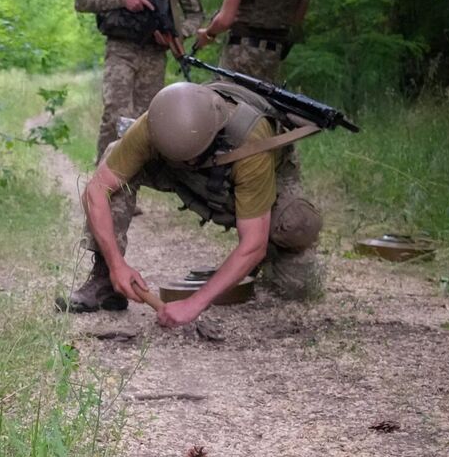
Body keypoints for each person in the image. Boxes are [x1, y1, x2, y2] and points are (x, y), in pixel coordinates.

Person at [74, 80, 324, 326]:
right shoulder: (156, 123)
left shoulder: (251, 145)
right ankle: (104, 277)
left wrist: (194, 304)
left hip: (246, 172)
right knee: (114, 163)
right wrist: (116, 265)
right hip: (183, 171)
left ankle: (268, 260)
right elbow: (96, 190)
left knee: (298, 235)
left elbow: (252, 244)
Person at [62, 0, 205, 312]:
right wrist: (121, 0)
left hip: (155, 55)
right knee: (115, 122)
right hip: (122, 52)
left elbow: (197, 14)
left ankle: (126, 191)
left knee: (147, 130)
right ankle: (103, 193)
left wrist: (177, 32)